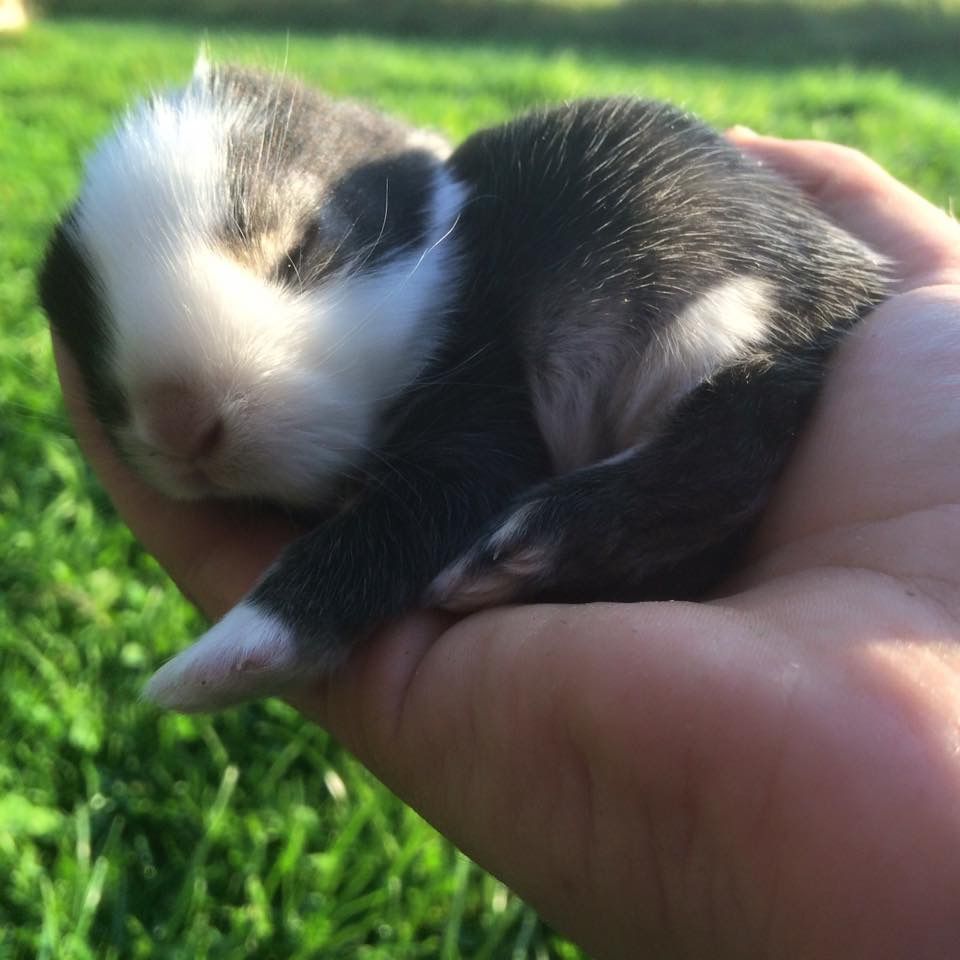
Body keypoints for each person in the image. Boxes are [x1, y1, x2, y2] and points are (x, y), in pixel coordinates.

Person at [54, 131, 960, 959]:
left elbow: (458, 479)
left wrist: (305, 603)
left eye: (295, 256)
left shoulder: (470, 284)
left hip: (718, 310)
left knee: (667, 396)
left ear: (409, 194)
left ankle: (659, 496)